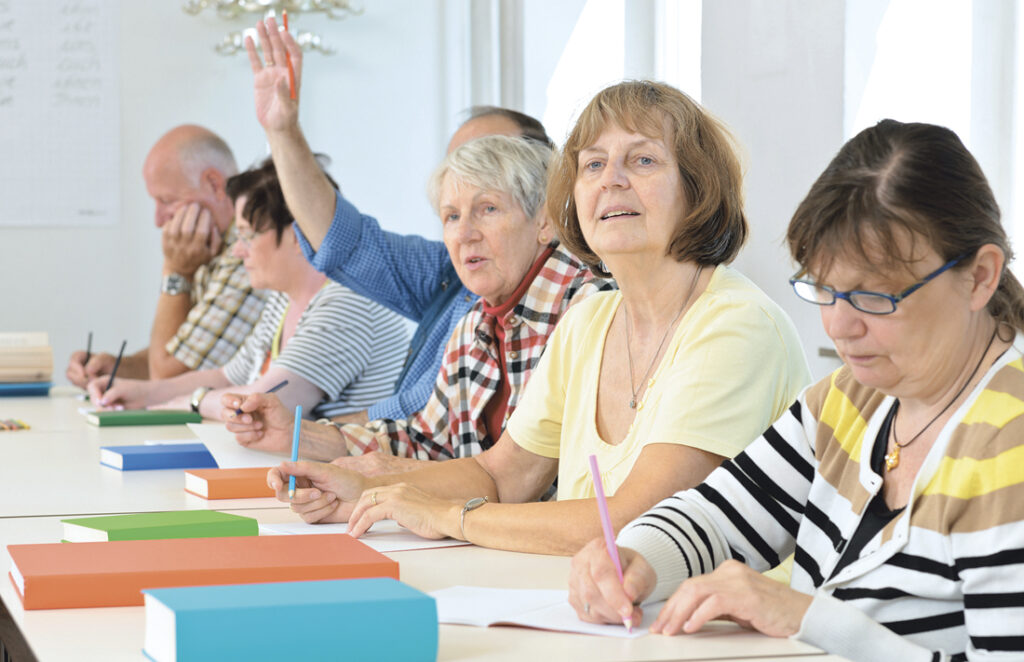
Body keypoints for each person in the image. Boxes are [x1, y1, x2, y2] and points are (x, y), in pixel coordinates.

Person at [261, 81, 810, 556]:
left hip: (720, 627)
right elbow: (502, 474)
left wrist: (448, 516)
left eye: (643, 160)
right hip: (592, 605)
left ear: (699, 188)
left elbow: (637, 523)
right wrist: (366, 492)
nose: (611, 179)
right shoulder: (590, 320)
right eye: (593, 164)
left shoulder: (734, 324)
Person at [568, 120, 1024, 661]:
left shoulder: (1010, 440)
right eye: (824, 289)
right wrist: (636, 558)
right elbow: (719, 516)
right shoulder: (852, 399)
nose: (839, 327)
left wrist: (809, 621)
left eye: (875, 297)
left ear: (979, 277)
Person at [225, 134, 615, 473]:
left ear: (545, 222)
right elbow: (425, 442)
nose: (464, 234)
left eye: (488, 209)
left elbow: (522, 484)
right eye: (451, 216)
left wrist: (404, 496)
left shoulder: (592, 311)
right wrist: (298, 435)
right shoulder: (475, 321)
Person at [240, 17, 553, 425]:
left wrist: (322, 434)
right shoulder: (451, 270)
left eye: (490, 164)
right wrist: (281, 131)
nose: (465, 228)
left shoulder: (573, 298)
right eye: (457, 169)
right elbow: (344, 242)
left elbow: (427, 424)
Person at [87, 157, 408, 422]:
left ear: (299, 234)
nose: (238, 250)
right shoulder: (285, 297)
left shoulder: (347, 302)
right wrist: (142, 393)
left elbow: (262, 406)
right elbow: (229, 377)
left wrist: (193, 401)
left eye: (247, 235)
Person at [66, 125, 267, 386]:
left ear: (214, 184)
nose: (159, 220)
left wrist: (175, 271)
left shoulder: (248, 254)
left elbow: (168, 379)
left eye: (168, 200)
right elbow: (184, 352)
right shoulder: (211, 247)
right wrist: (116, 368)